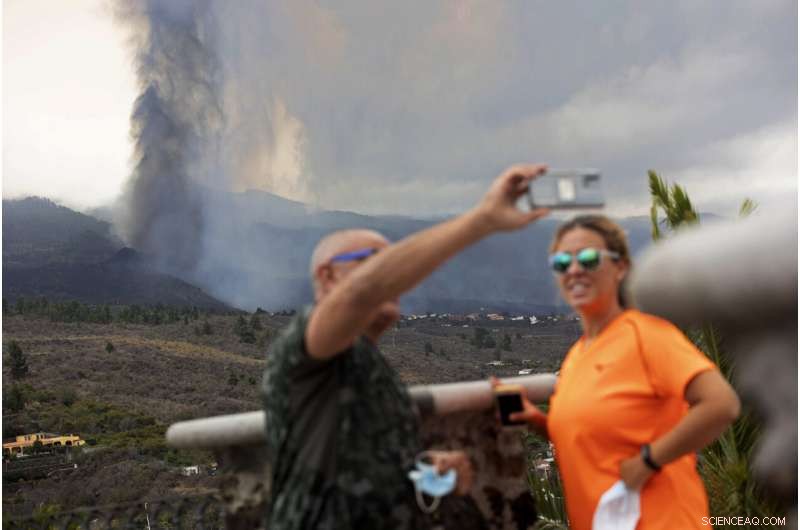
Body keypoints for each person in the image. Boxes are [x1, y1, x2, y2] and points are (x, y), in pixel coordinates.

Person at [262, 164, 550, 529]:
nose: (392, 278)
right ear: (327, 277)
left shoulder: (367, 362)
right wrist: (482, 220)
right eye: (375, 264)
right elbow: (362, 292)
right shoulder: (302, 348)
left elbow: (354, 456)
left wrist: (428, 466)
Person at [504, 214, 741, 530]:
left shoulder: (646, 335)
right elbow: (591, 441)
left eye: (588, 258)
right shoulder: (577, 356)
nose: (574, 269)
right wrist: (535, 420)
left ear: (620, 267)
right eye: (562, 262)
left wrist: (648, 461)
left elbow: (721, 404)